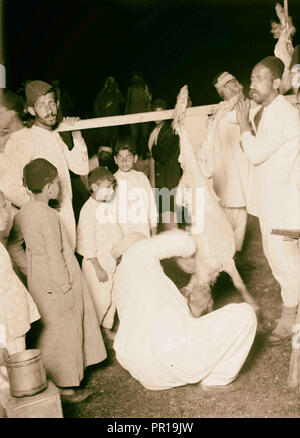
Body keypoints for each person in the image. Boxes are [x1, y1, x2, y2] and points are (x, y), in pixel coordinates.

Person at [112, 230, 257, 391]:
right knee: (245, 314)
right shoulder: (137, 252)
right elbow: (184, 243)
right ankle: (217, 380)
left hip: (149, 377)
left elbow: (176, 321)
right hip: (174, 359)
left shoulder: (123, 286)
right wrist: (197, 235)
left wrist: (195, 307)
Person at [13, 159, 107, 404]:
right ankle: (67, 388)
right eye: (56, 182)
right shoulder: (48, 216)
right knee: (65, 332)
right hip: (59, 280)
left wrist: (30, 267)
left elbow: (14, 247)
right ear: (47, 188)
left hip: (39, 280)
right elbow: (55, 255)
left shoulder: (23, 213)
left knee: (50, 333)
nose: (59, 187)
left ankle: (53, 381)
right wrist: (65, 285)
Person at [236, 56, 300, 344]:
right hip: (270, 202)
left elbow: (256, 153)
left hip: (286, 204)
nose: (252, 85)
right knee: (276, 260)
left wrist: (243, 127)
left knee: (286, 263)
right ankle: (292, 312)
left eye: (258, 79)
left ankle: (290, 319)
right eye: (251, 79)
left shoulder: (284, 113)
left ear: (276, 82)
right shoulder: (265, 111)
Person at [3, 80, 89, 250]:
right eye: (42, 105)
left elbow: (81, 168)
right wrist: (40, 207)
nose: (49, 110)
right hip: (43, 226)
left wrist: (76, 134)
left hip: (66, 221)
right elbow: (8, 187)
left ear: (57, 104)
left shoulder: (54, 136)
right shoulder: (26, 140)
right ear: (30, 110)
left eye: (52, 103)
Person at [199, 72, 251, 257]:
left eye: (237, 82)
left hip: (242, 172)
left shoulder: (243, 106)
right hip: (227, 177)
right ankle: (224, 259)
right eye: (231, 85)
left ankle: (233, 256)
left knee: (241, 217)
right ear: (223, 92)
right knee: (226, 220)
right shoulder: (221, 113)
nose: (238, 86)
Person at [0, 191, 40, 414]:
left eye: (6, 206)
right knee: (7, 388)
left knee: (18, 386)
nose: (6, 213)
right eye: (1, 208)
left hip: (14, 324)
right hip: (5, 331)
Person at [76, 166, 123, 342]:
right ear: (95, 187)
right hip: (95, 264)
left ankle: (104, 329)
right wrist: (98, 268)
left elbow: (115, 232)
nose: (110, 191)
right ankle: (92, 338)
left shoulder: (106, 207)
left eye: (112, 188)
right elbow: (87, 244)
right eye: (107, 187)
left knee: (113, 297)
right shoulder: (88, 210)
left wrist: (118, 254)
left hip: (110, 261)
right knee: (100, 300)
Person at [114, 136, 158, 238]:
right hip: (123, 234)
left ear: (135, 158)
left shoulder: (142, 178)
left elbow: (151, 206)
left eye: (128, 157)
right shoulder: (112, 181)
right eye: (120, 158)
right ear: (115, 160)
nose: (124, 161)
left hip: (143, 231)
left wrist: (154, 231)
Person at [149, 99, 182, 230]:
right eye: (154, 112)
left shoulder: (170, 129)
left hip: (168, 175)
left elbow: (162, 155)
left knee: (169, 210)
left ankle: (176, 241)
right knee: (162, 211)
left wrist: (153, 150)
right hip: (158, 175)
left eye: (160, 113)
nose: (157, 116)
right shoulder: (154, 130)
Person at [125, 72, 152, 159]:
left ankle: (145, 153)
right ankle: (136, 154)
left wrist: (149, 112)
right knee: (134, 136)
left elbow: (149, 100)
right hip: (133, 115)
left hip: (144, 115)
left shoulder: (144, 87)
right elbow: (128, 102)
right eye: (134, 78)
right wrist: (126, 114)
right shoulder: (130, 89)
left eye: (137, 77)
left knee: (145, 135)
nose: (136, 79)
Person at [93, 76, 124, 146]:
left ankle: (112, 153)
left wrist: (118, 90)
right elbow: (96, 105)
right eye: (110, 83)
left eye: (113, 83)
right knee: (104, 139)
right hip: (104, 119)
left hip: (115, 119)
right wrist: (99, 115)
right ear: (107, 83)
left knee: (114, 139)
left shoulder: (116, 93)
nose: (111, 85)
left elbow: (122, 100)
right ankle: (105, 155)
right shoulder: (102, 93)